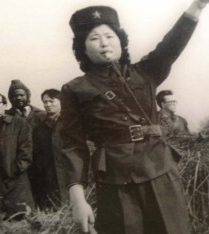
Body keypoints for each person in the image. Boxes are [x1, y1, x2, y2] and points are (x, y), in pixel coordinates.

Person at [60, 2, 208, 234]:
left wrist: (197, 7)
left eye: (109, 35)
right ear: (82, 48)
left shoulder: (146, 72)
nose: (104, 42)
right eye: (93, 38)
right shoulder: (74, 89)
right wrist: (77, 198)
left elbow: (171, 45)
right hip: (116, 183)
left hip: (161, 172)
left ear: (121, 41)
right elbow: (72, 145)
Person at [0, 93, 34, 216]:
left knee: (20, 218)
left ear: (5, 105)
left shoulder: (19, 124)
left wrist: (13, 171)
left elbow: (26, 153)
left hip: (16, 183)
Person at [32, 89, 68, 210]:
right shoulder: (39, 129)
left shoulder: (72, 123)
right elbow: (37, 155)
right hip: (50, 175)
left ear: (61, 101)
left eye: (51, 101)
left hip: (70, 172)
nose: (48, 105)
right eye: (45, 102)